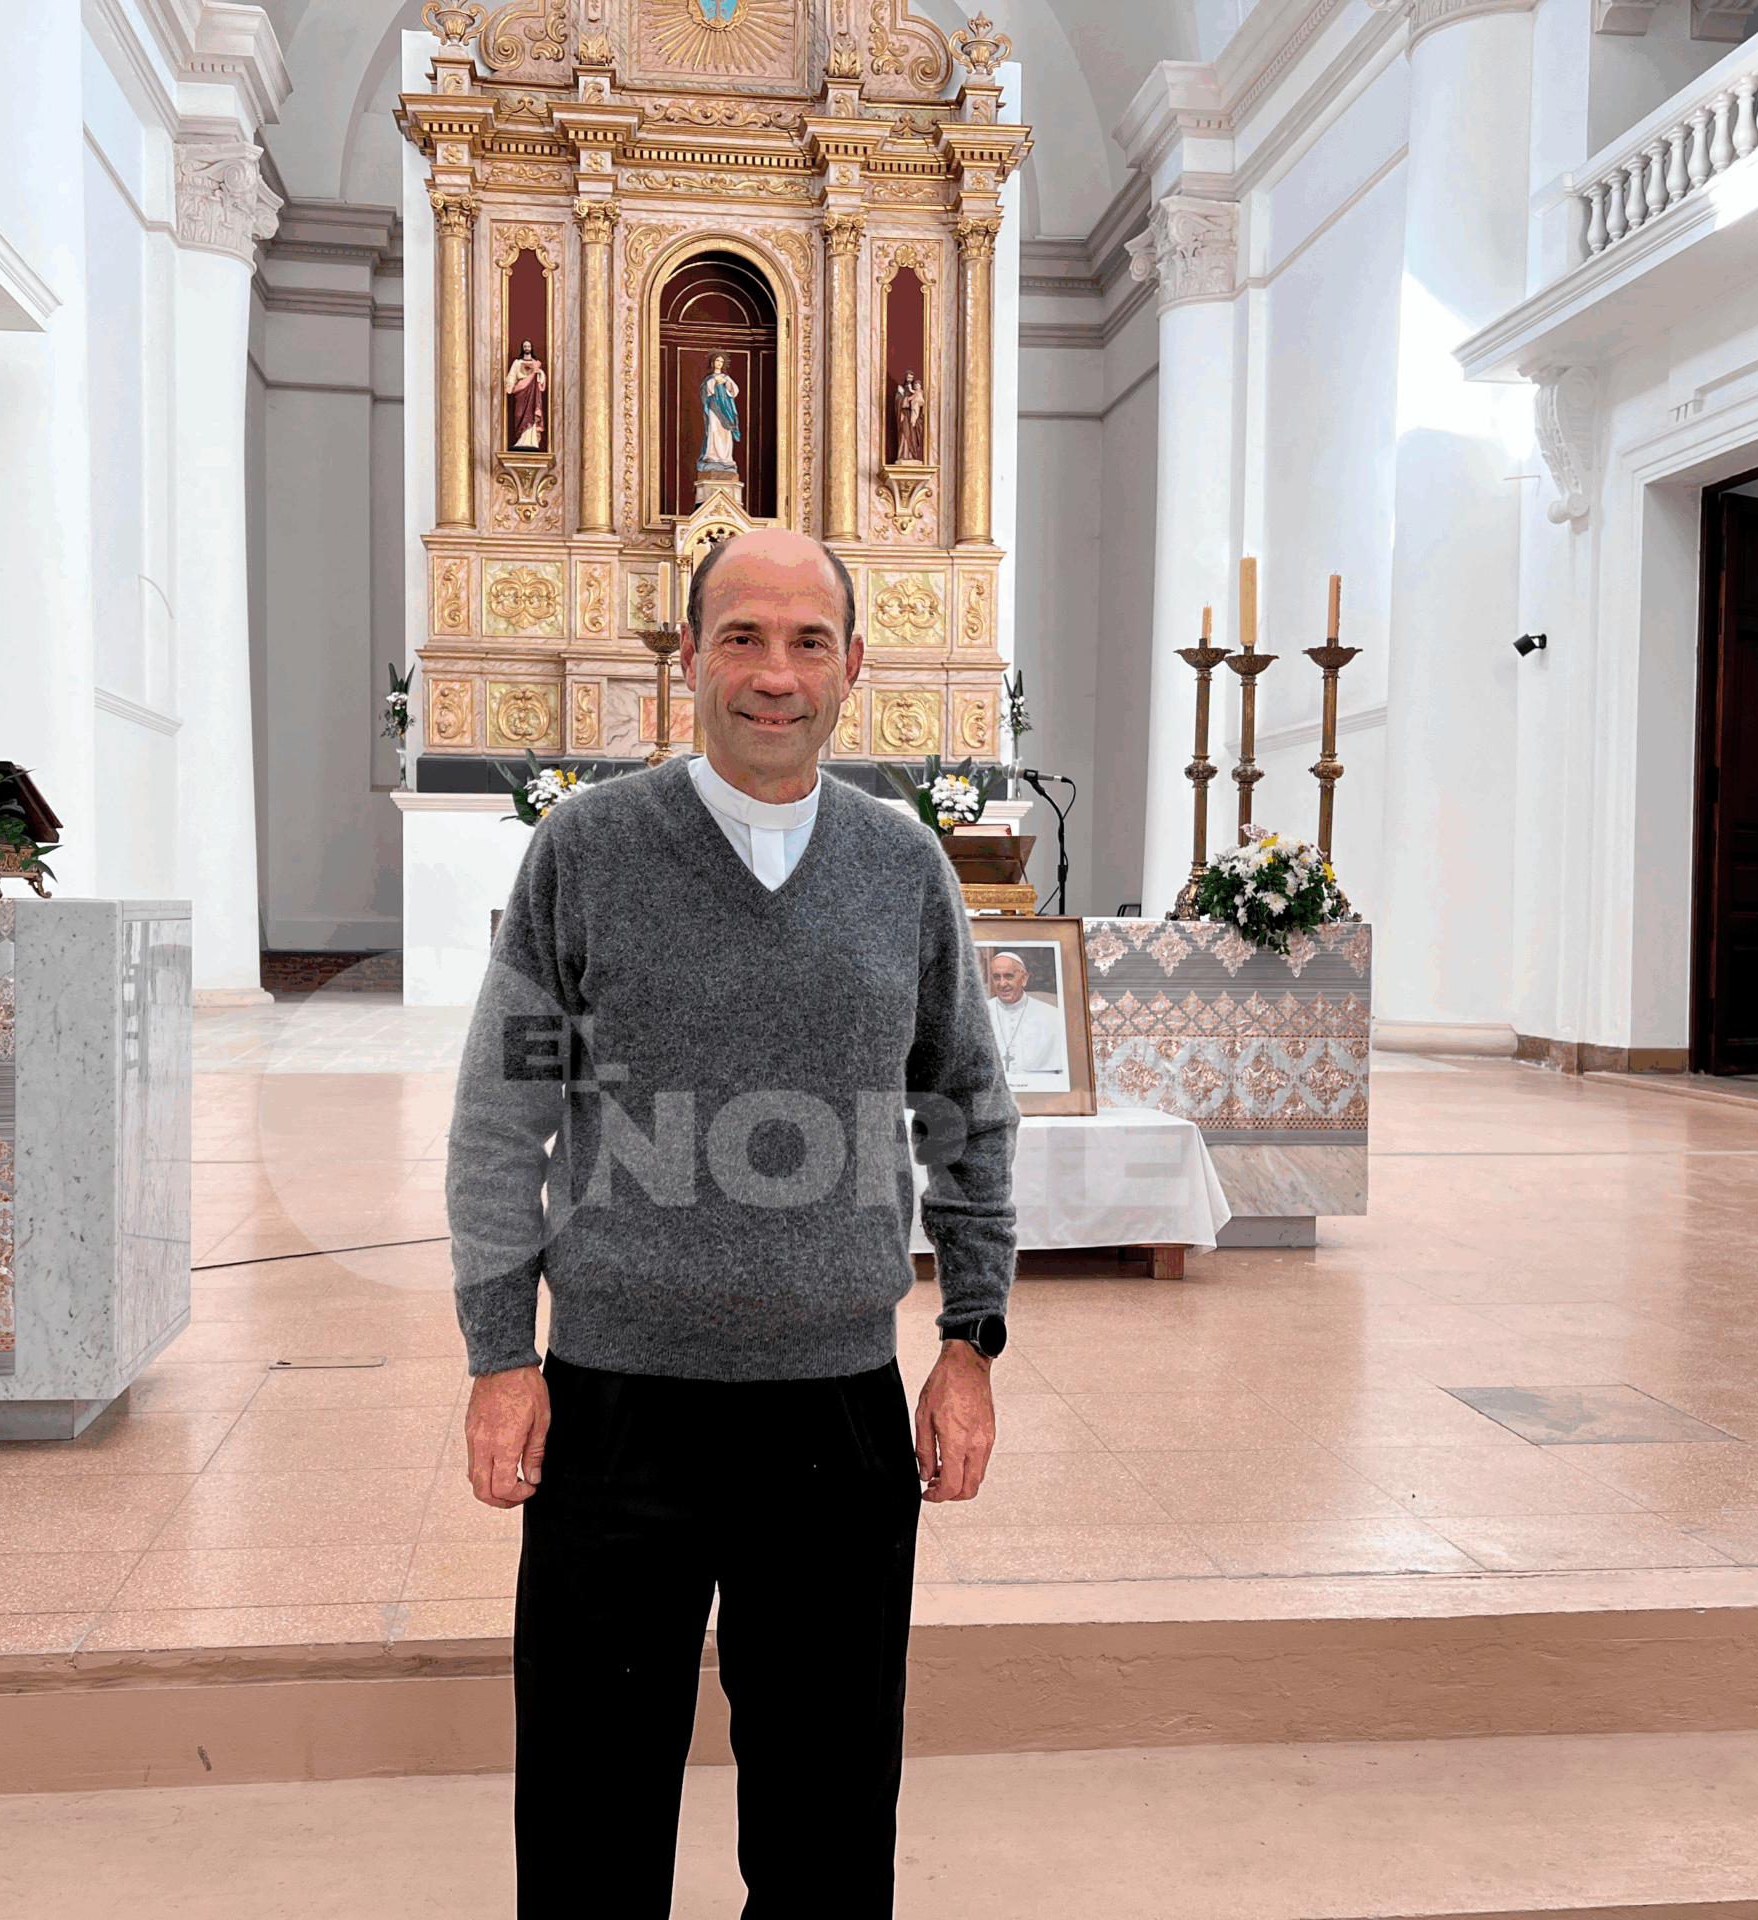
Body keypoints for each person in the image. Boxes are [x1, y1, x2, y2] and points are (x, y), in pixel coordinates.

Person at [447, 526, 1018, 1920]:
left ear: (854, 668)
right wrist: (498, 1353)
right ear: (688, 658)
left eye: (809, 641)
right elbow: (499, 1117)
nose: (777, 673)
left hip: (834, 1411)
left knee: (828, 1819)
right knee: (592, 1807)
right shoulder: (586, 852)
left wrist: (971, 1339)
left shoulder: (902, 867)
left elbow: (966, 1105)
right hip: (616, 1409)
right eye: (745, 639)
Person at [984, 949, 1069, 1088]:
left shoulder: (1053, 1016)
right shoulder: (981, 1013)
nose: (1002, 983)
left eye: (1008, 976)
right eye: (996, 977)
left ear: (1024, 979)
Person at [699, 352, 741, 471]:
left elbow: (734, 391)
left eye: (721, 361)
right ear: (713, 362)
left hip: (726, 409)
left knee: (725, 433)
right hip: (714, 408)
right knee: (714, 429)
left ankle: (726, 458)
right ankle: (713, 456)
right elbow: (704, 392)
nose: (719, 363)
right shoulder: (709, 378)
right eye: (717, 361)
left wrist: (726, 383)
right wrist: (713, 382)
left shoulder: (726, 378)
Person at [506, 342, 547, 451]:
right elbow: (512, 375)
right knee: (519, 415)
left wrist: (540, 374)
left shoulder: (535, 363)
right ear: (522, 348)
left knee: (532, 415)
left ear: (531, 348)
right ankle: (521, 440)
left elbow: (541, 378)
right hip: (520, 393)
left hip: (532, 394)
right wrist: (510, 386)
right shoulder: (517, 363)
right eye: (525, 347)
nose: (527, 348)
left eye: (528, 346)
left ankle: (532, 442)